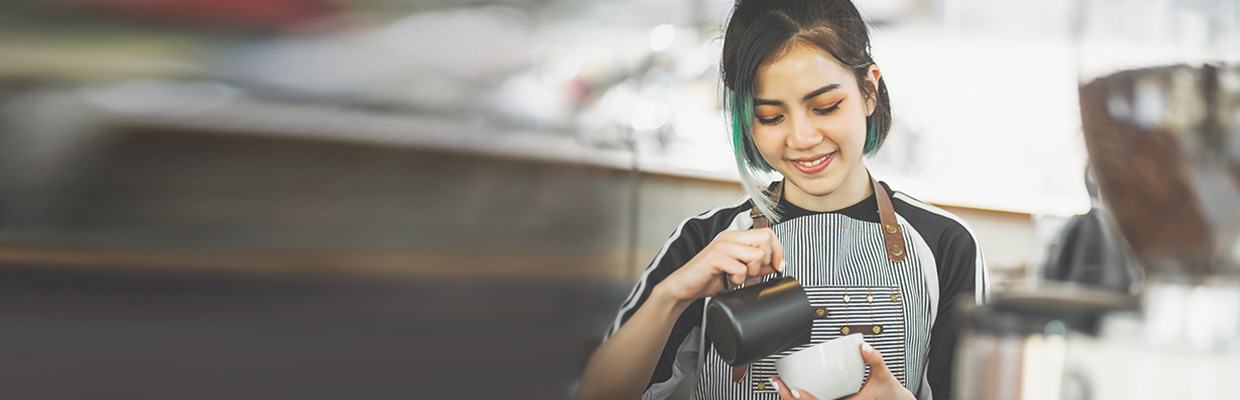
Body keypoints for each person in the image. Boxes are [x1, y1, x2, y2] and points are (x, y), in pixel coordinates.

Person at [577, 0, 988, 399]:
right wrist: (673, 296)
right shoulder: (705, 241)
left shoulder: (945, 245)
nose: (802, 139)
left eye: (826, 107)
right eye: (771, 117)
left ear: (868, 91)